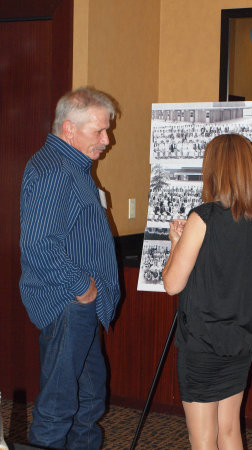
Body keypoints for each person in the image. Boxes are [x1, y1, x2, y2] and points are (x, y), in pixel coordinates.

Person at [162, 134, 252, 449]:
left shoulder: (204, 216)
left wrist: (174, 245)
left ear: (215, 169)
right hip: (242, 337)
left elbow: (172, 283)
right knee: (229, 431)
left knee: (202, 439)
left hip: (202, 343)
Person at [19, 87, 121, 449]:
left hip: (79, 304)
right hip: (68, 303)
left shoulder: (72, 166)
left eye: (106, 130)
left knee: (90, 400)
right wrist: (82, 287)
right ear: (69, 130)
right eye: (99, 131)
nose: (107, 140)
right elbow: (39, 244)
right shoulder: (55, 171)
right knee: (58, 407)